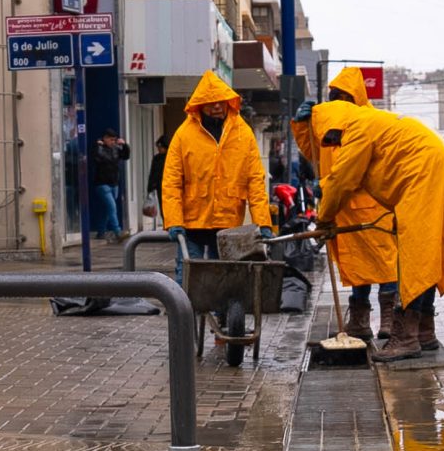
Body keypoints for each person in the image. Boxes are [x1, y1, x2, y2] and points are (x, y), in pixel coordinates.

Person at [306, 97, 444, 362]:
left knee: (415, 258)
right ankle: (424, 331)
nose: (334, 143)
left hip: (424, 173)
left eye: (331, 136)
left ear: (335, 121)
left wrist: (324, 218)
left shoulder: (357, 129)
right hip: (440, 165)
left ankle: (406, 338)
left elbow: (342, 181)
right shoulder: (371, 122)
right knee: (425, 253)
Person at [290, 66, 398, 342]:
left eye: (343, 95)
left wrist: (326, 187)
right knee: (357, 268)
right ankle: (360, 321)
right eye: (335, 94)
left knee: (385, 264)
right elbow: (312, 150)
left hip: (373, 208)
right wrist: (303, 124)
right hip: (342, 208)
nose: (338, 99)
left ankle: (389, 319)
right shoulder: (328, 124)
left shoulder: (370, 122)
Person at [161, 72, 270, 279]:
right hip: (192, 223)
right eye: (210, 103)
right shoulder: (184, 135)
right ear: (199, 105)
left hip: (228, 224)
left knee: (224, 279)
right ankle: (187, 312)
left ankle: (221, 312)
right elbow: (171, 182)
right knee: (187, 277)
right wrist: (174, 221)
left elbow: (255, 181)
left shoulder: (243, 134)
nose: (217, 107)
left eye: (221, 101)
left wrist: (263, 223)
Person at [89, 128, 129, 242]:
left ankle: (101, 232)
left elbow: (125, 156)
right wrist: (99, 147)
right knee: (112, 207)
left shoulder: (116, 149)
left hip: (114, 183)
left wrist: (125, 145)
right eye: (111, 140)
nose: (113, 142)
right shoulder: (99, 148)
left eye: (114, 140)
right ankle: (117, 231)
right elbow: (96, 158)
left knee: (107, 209)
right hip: (102, 184)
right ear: (105, 138)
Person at [145, 132, 170, 223]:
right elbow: (153, 173)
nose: (159, 149)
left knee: (169, 206)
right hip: (160, 186)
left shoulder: (171, 157)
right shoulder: (157, 158)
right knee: (162, 206)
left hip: (169, 185)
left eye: (160, 147)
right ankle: (166, 222)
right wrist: (150, 187)